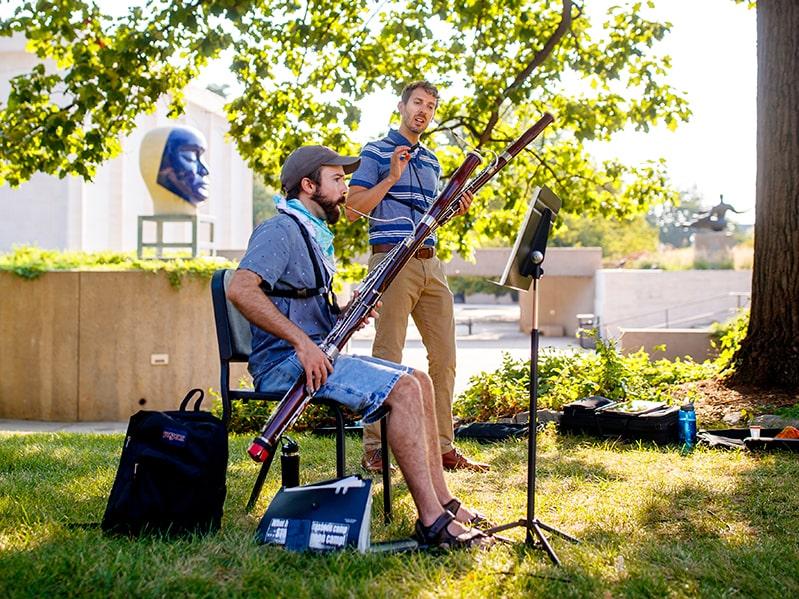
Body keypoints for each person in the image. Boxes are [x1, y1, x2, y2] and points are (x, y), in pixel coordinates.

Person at [227, 145, 492, 548]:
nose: (346, 188)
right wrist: (302, 342)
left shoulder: (314, 234)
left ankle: (445, 501)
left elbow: (299, 305)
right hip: (284, 364)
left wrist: (343, 312)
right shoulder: (280, 230)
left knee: (418, 379)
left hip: (315, 357)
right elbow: (240, 289)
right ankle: (433, 523)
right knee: (402, 390)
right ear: (308, 185)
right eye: (337, 179)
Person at [346, 81, 489, 473]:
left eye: (431, 105)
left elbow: (430, 217)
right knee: (387, 356)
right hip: (391, 261)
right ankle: (375, 448)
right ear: (401, 106)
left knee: (445, 357)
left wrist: (454, 209)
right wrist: (391, 176)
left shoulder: (432, 163)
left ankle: (444, 447)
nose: (424, 111)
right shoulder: (375, 151)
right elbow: (353, 209)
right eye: (418, 103)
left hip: (431, 263)